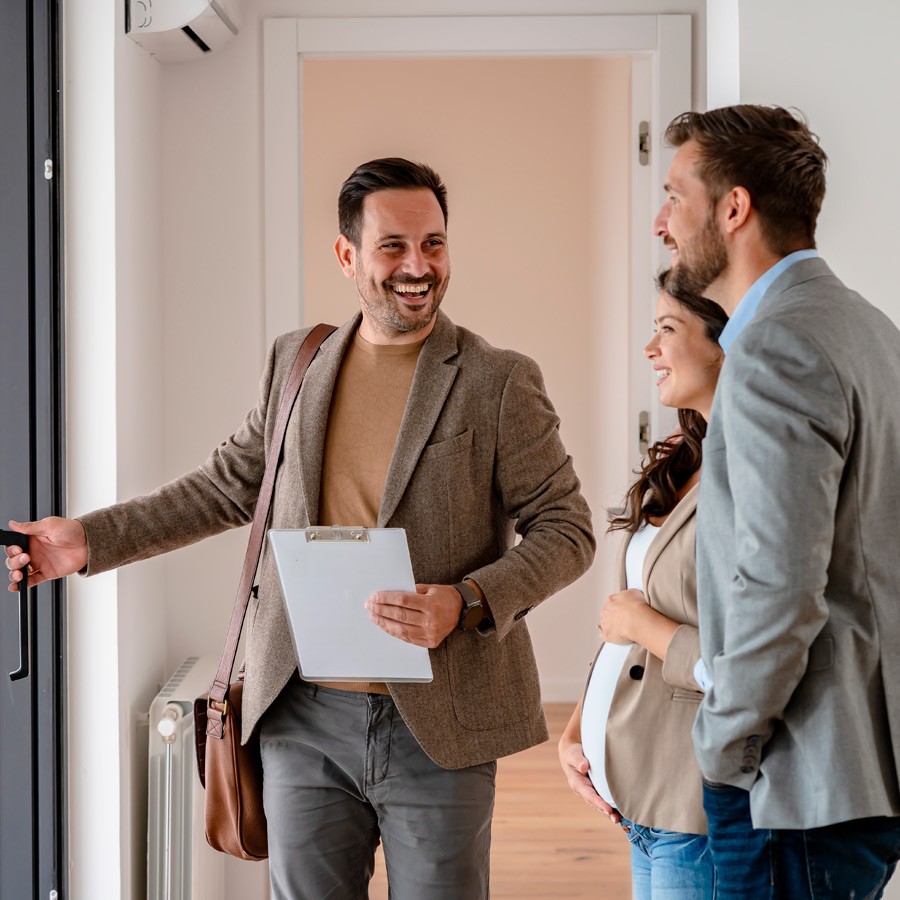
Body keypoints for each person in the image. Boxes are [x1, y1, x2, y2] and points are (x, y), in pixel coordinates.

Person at [5, 158, 595, 900]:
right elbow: (227, 486)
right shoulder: (299, 362)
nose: (418, 266)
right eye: (394, 246)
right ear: (347, 255)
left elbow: (567, 527)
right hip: (302, 714)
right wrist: (90, 540)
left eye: (434, 244)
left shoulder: (497, 379)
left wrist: (468, 599)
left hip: (442, 719)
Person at [655, 104, 900, 897]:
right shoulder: (870, 328)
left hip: (794, 782)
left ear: (733, 209)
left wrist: (723, 747)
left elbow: (778, 589)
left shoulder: (775, 344)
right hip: (861, 768)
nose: (663, 222)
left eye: (674, 196)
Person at [559, 270, 727, 899]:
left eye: (667, 330)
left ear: (723, 341)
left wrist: (637, 626)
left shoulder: (753, 474)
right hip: (640, 802)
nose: (650, 349)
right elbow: (627, 613)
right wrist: (578, 728)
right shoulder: (686, 460)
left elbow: (743, 656)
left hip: (693, 805)